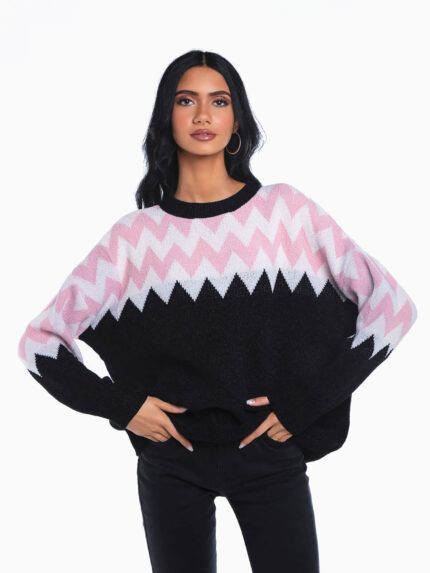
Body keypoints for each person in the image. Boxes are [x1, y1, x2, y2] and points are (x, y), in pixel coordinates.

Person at [17, 50, 418, 573]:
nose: (203, 114)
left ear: (237, 120)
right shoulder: (132, 239)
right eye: (186, 101)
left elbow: (392, 308)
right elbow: (40, 343)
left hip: (269, 454)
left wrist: (308, 401)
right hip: (171, 461)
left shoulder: (285, 212)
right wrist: (122, 406)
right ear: (167, 115)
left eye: (219, 101)